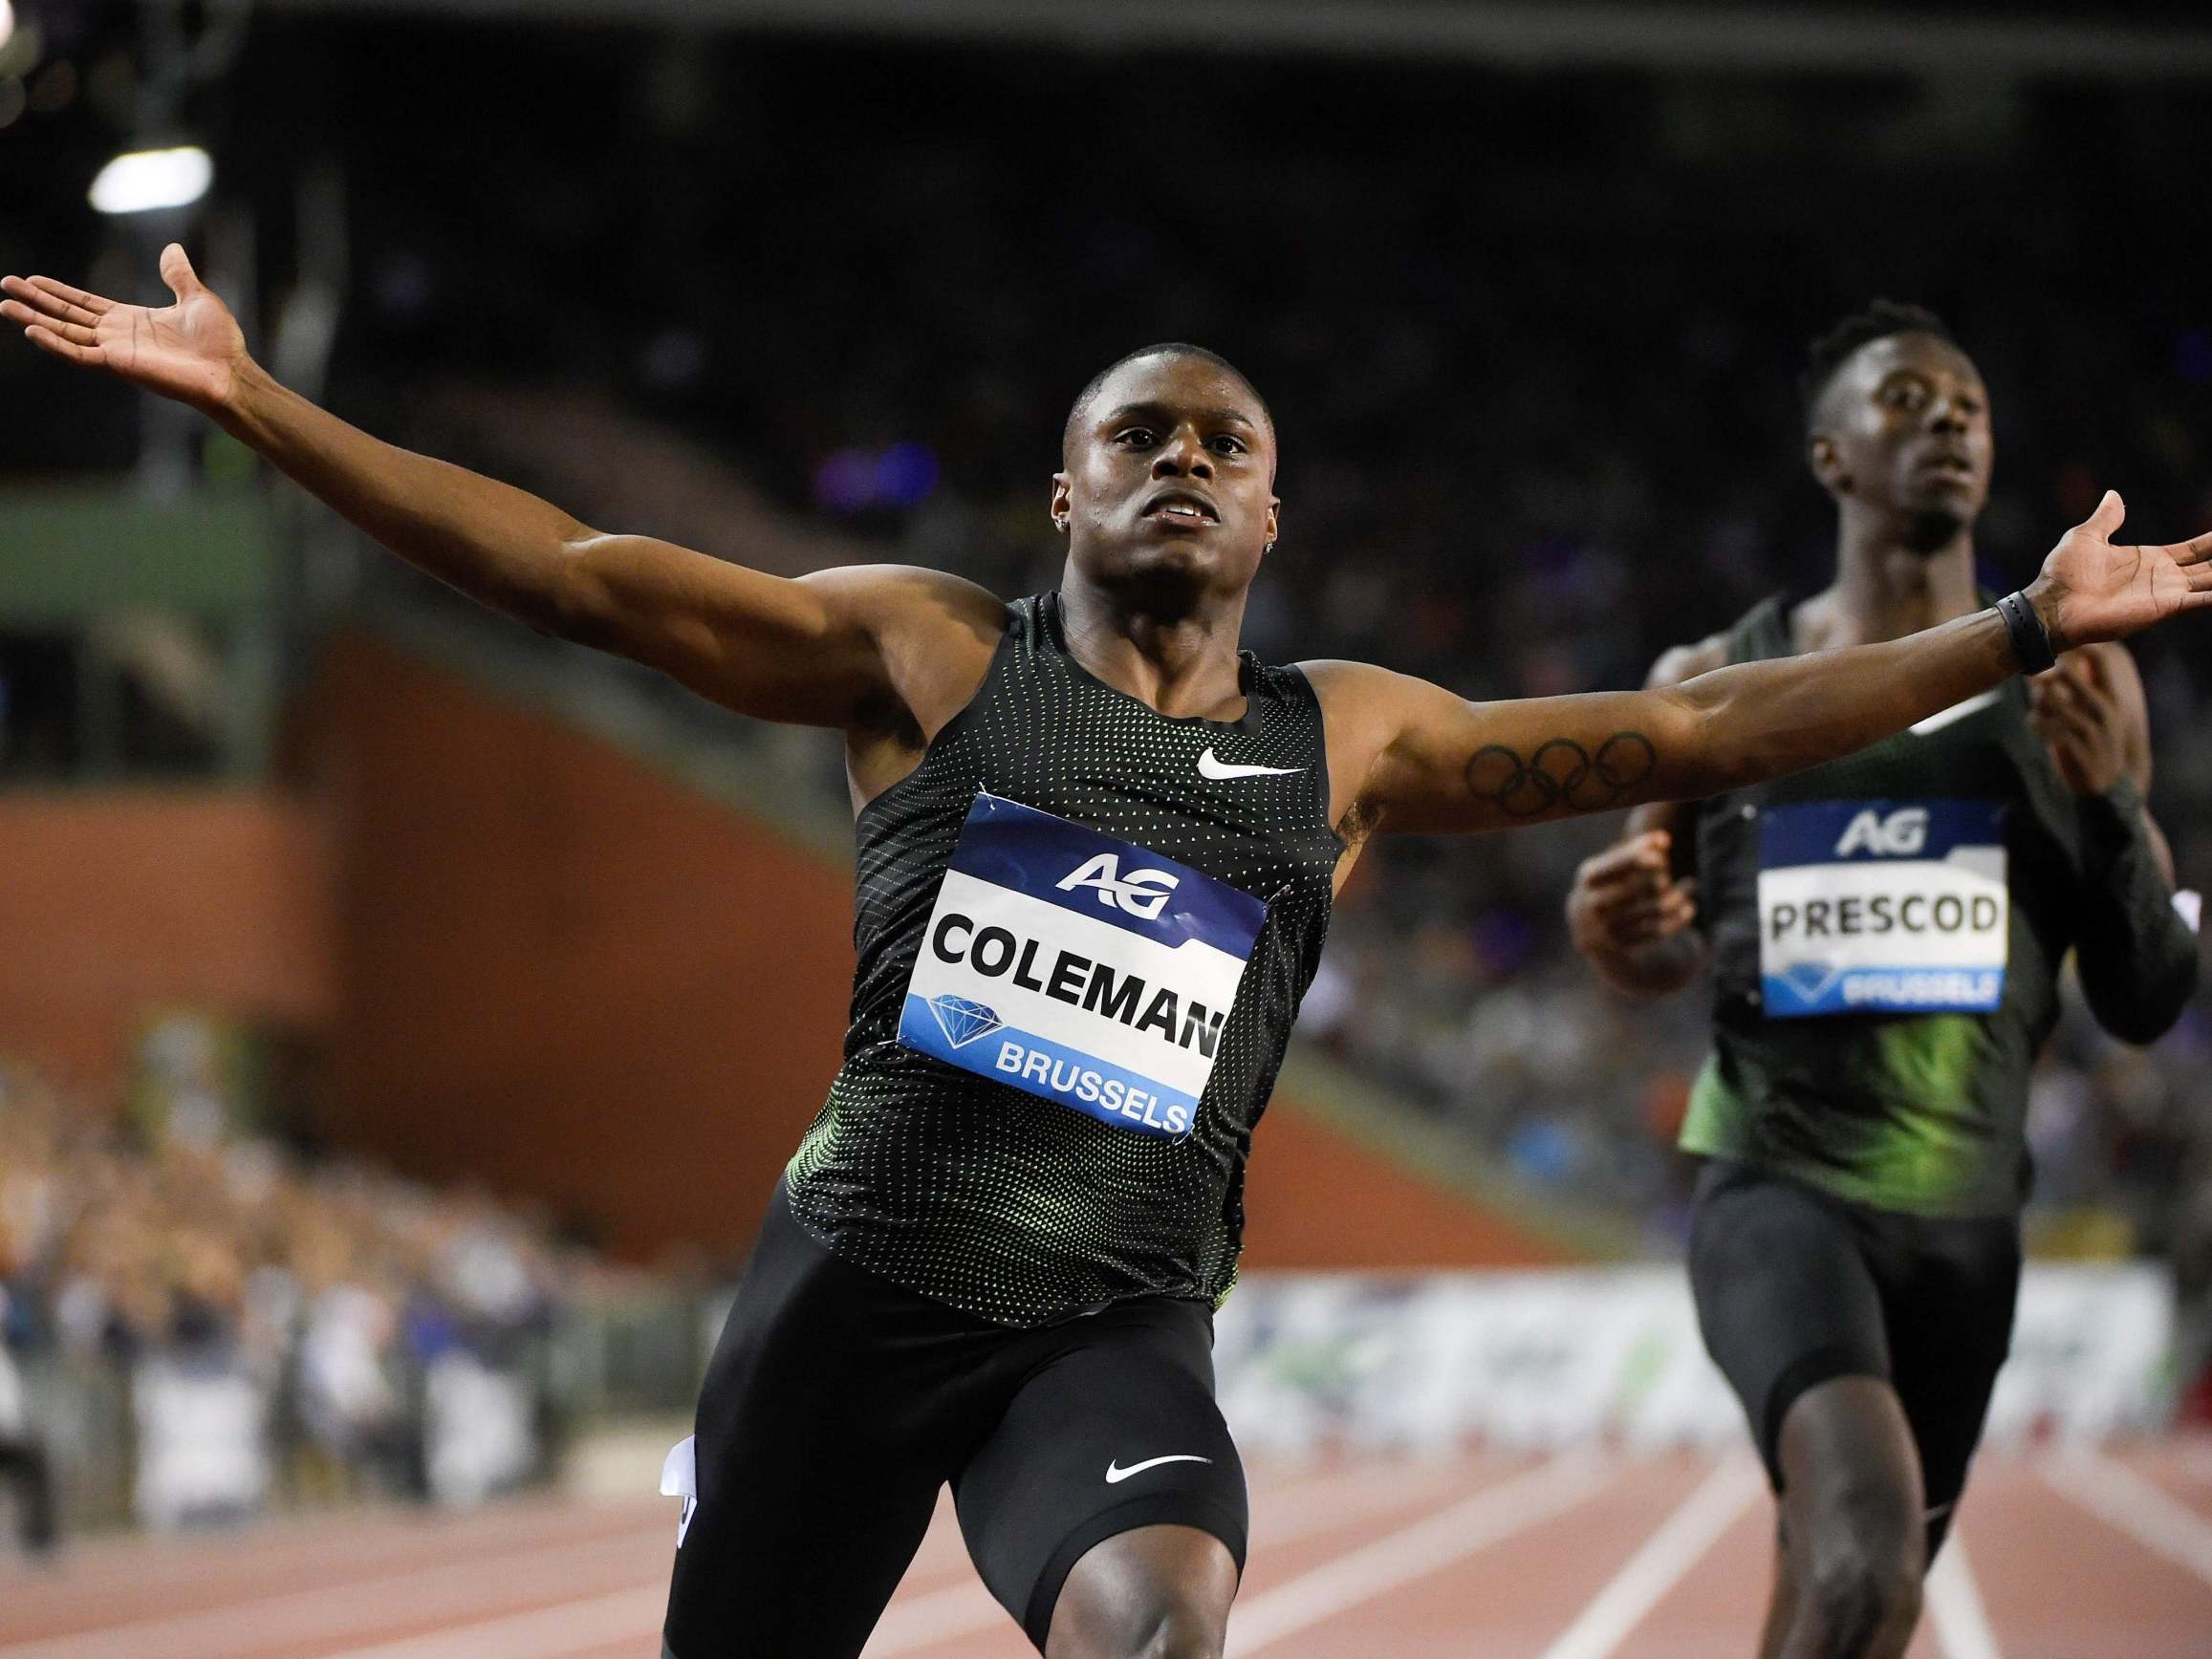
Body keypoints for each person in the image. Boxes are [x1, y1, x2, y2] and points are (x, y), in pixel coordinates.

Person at [9, 253, 2208, 1659]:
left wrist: (2008, 632)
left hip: (1110, 1328)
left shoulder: (1339, 739)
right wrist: (261, 409)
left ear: (1269, 519)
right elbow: (583, 578)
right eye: (1130, 435)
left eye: (1218, 443)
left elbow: (1707, 724)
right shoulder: (924, 659)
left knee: (1159, 1628)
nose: (1176, 459)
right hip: (854, 1298)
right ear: (1060, 499)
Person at [1566, 302, 2202, 1659]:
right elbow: (1660, 935)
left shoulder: (2078, 685)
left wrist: (2097, 804)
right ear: (1830, 458)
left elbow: (2146, 995)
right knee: (1863, 1562)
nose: (1949, 424)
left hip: (1965, 1220)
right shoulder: (1714, 681)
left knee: (1834, 1582)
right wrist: (1626, 937)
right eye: (1905, 400)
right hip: (1776, 1188)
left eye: (1967, 405)